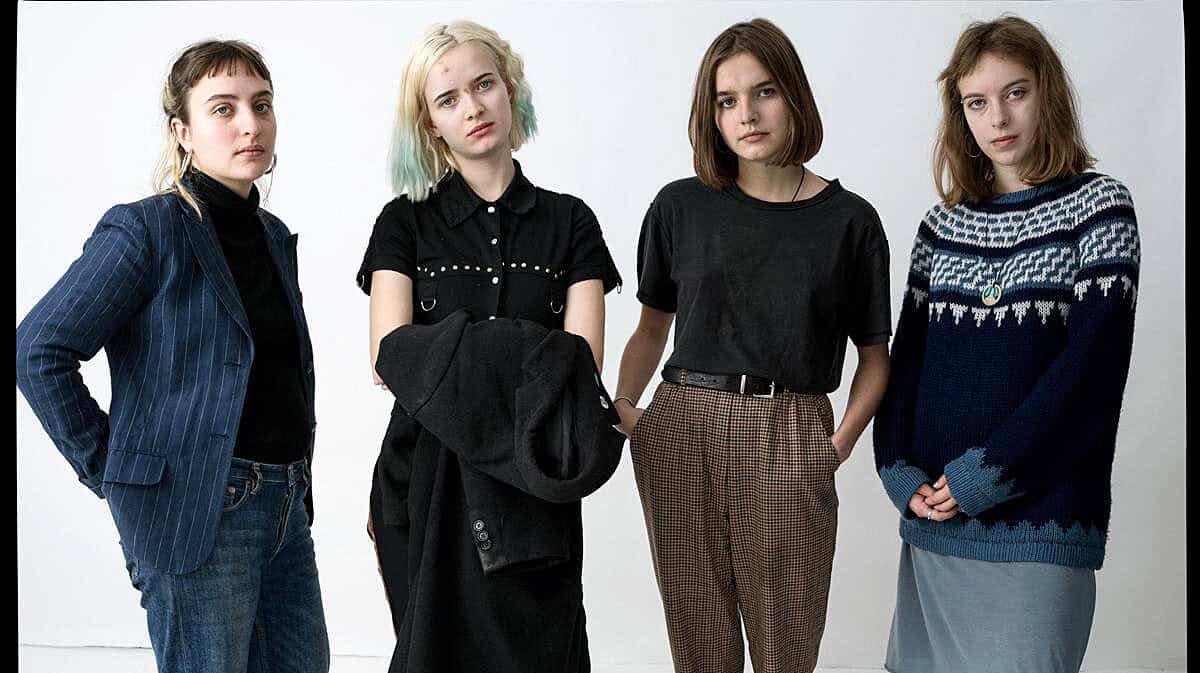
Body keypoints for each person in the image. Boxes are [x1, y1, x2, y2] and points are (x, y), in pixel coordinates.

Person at [14, 40, 328, 672]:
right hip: (200, 516)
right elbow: (38, 349)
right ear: (182, 131)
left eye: (261, 105)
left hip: (286, 505)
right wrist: (115, 472)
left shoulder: (270, 236)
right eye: (224, 108)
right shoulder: (145, 229)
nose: (250, 123)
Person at [611, 18, 892, 673]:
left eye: (763, 92)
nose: (746, 114)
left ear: (793, 94)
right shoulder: (679, 207)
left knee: (785, 645)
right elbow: (651, 326)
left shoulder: (850, 222)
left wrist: (834, 446)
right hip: (681, 423)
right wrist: (628, 407)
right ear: (710, 114)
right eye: (726, 100)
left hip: (789, 426)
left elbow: (875, 359)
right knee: (699, 646)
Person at [872, 15, 1140, 673]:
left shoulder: (1100, 210)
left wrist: (981, 477)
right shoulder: (940, 229)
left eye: (1015, 92)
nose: (999, 117)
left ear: (1048, 92)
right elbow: (903, 368)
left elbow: (1089, 377)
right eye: (977, 101)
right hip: (935, 525)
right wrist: (896, 471)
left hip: (1041, 528)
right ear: (960, 114)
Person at [355, 19, 622, 672]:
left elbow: (581, 366)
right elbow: (390, 355)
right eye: (448, 99)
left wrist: (451, 353)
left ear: (511, 90)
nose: (471, 107)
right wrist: (529, 350)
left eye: (484, 85)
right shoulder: (403, 222)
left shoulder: (571, 220)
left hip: (537, 472)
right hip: (419, 475)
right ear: (430, 124)